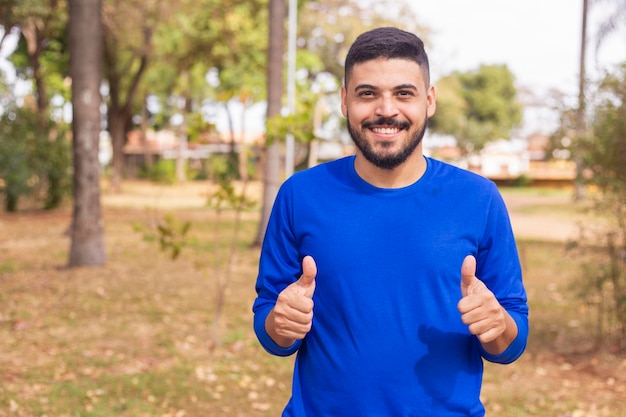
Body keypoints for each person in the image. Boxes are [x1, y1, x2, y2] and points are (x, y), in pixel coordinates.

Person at [252, 26, 529, 417]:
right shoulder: (300, 195)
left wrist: (497, 323)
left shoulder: (479, 198)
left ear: (429, 100)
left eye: (404, 93)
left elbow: (512, 340)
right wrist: (281, 324)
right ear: (345, 101)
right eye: (368, 94)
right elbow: (270, 326)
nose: (386, 110)